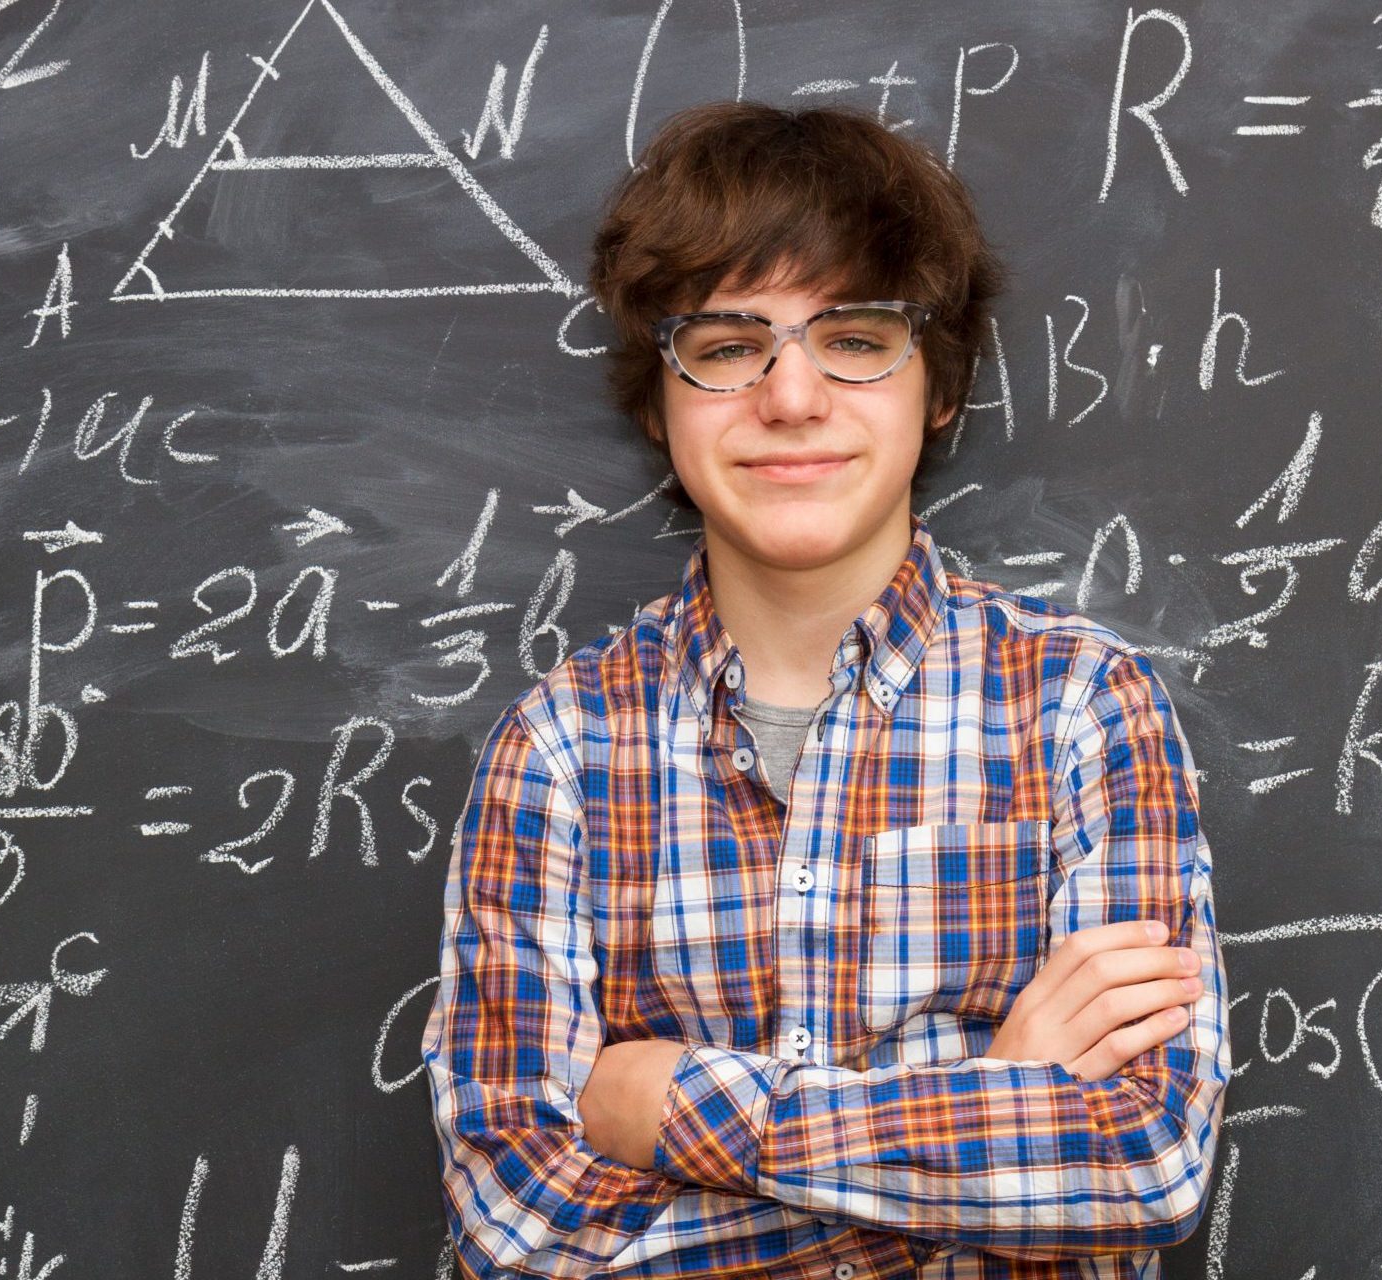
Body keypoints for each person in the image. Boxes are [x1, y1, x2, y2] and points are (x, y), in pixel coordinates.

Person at [420, 102, 1231, 1279]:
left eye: (854, 337)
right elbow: (520, 1226)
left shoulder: (1082, 706)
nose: (792, 397)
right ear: (657, 395)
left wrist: (667, 1105)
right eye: (725, 344)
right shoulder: (559, 748)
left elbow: (1140, 1159)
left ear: (938, 387)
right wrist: (997, 1099)